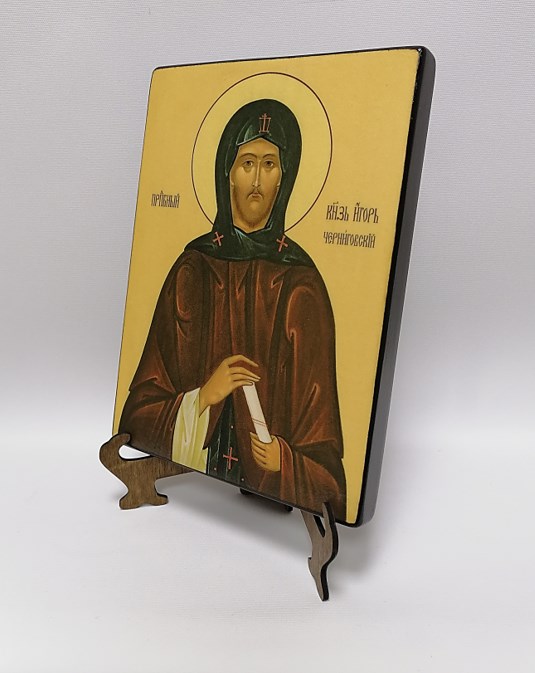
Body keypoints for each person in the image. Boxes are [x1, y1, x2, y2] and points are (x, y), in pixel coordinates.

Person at [119, 99, 346, 518]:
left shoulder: (301, 286)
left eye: (269, 164)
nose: (257, 180)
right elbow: (138, 416)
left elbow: (325, 460)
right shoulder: (192, 271)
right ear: (227, 172)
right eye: (246, 163)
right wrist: (204, 397)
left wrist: (284, 460)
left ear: (285, 178)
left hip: (270, 475)